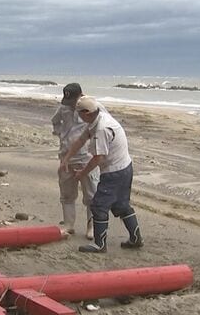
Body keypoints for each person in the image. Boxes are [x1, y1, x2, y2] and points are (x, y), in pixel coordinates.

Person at [60, 96, 142, 253]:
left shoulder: (102, 129)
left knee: (98, 206)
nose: (78, 115)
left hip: (114, 171)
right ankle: (136, 238)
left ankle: (100, 244)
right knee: (122, 205)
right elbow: (81, 140)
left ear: (86, 113)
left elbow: (99, 158)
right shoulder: (98, 118)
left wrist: (82, 173)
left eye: (79, 112)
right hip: (125, 167)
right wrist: (67, 158)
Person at [51, 83, 99, 239]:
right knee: (67, 194)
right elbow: (55, 121)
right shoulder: (63, 108)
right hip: (66, 156)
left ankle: (92, 227)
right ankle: (68, 225)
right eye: (68, 101)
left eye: (73, 101)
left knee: (91, 195)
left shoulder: (92, 107)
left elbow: (102, 124)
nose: (71, 104)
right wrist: (60, 134)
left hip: (86, 157)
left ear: (81, 95)